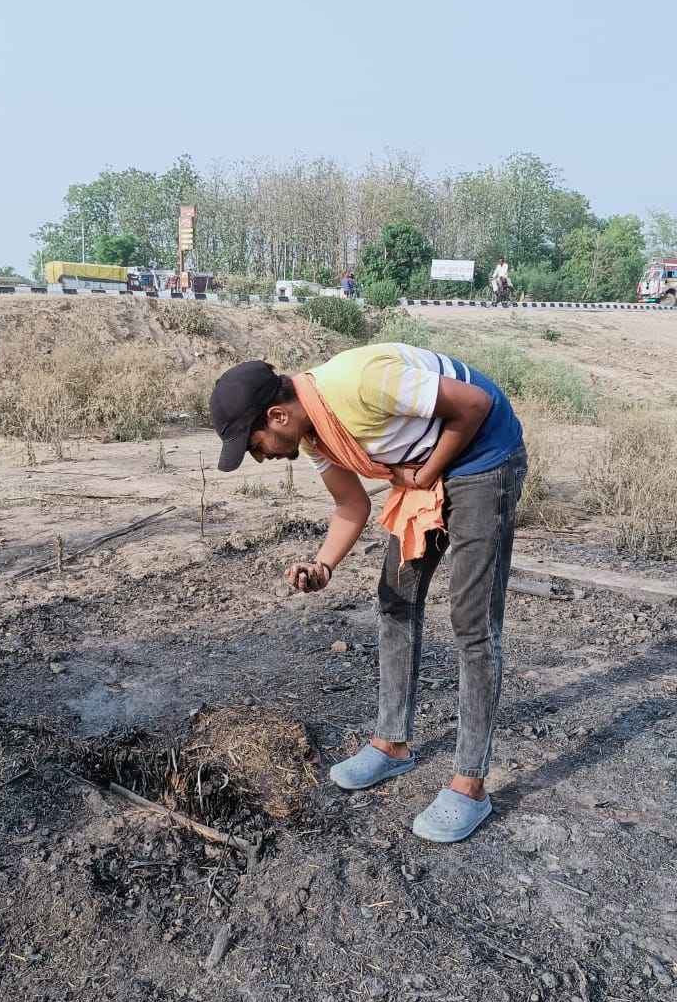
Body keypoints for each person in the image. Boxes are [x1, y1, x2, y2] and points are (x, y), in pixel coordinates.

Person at [209, 340, 527, 844]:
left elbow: (474, 405)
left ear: (277, 416)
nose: (260, 457)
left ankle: (470, 785)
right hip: (424, 466)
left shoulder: (357, 385)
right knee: (395, 600)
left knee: (472, 621)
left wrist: (423, 474)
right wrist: (321, 566)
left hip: (482, 456)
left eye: (255, 445)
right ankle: (391, 744)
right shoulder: (316, 435)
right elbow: (350, 506)